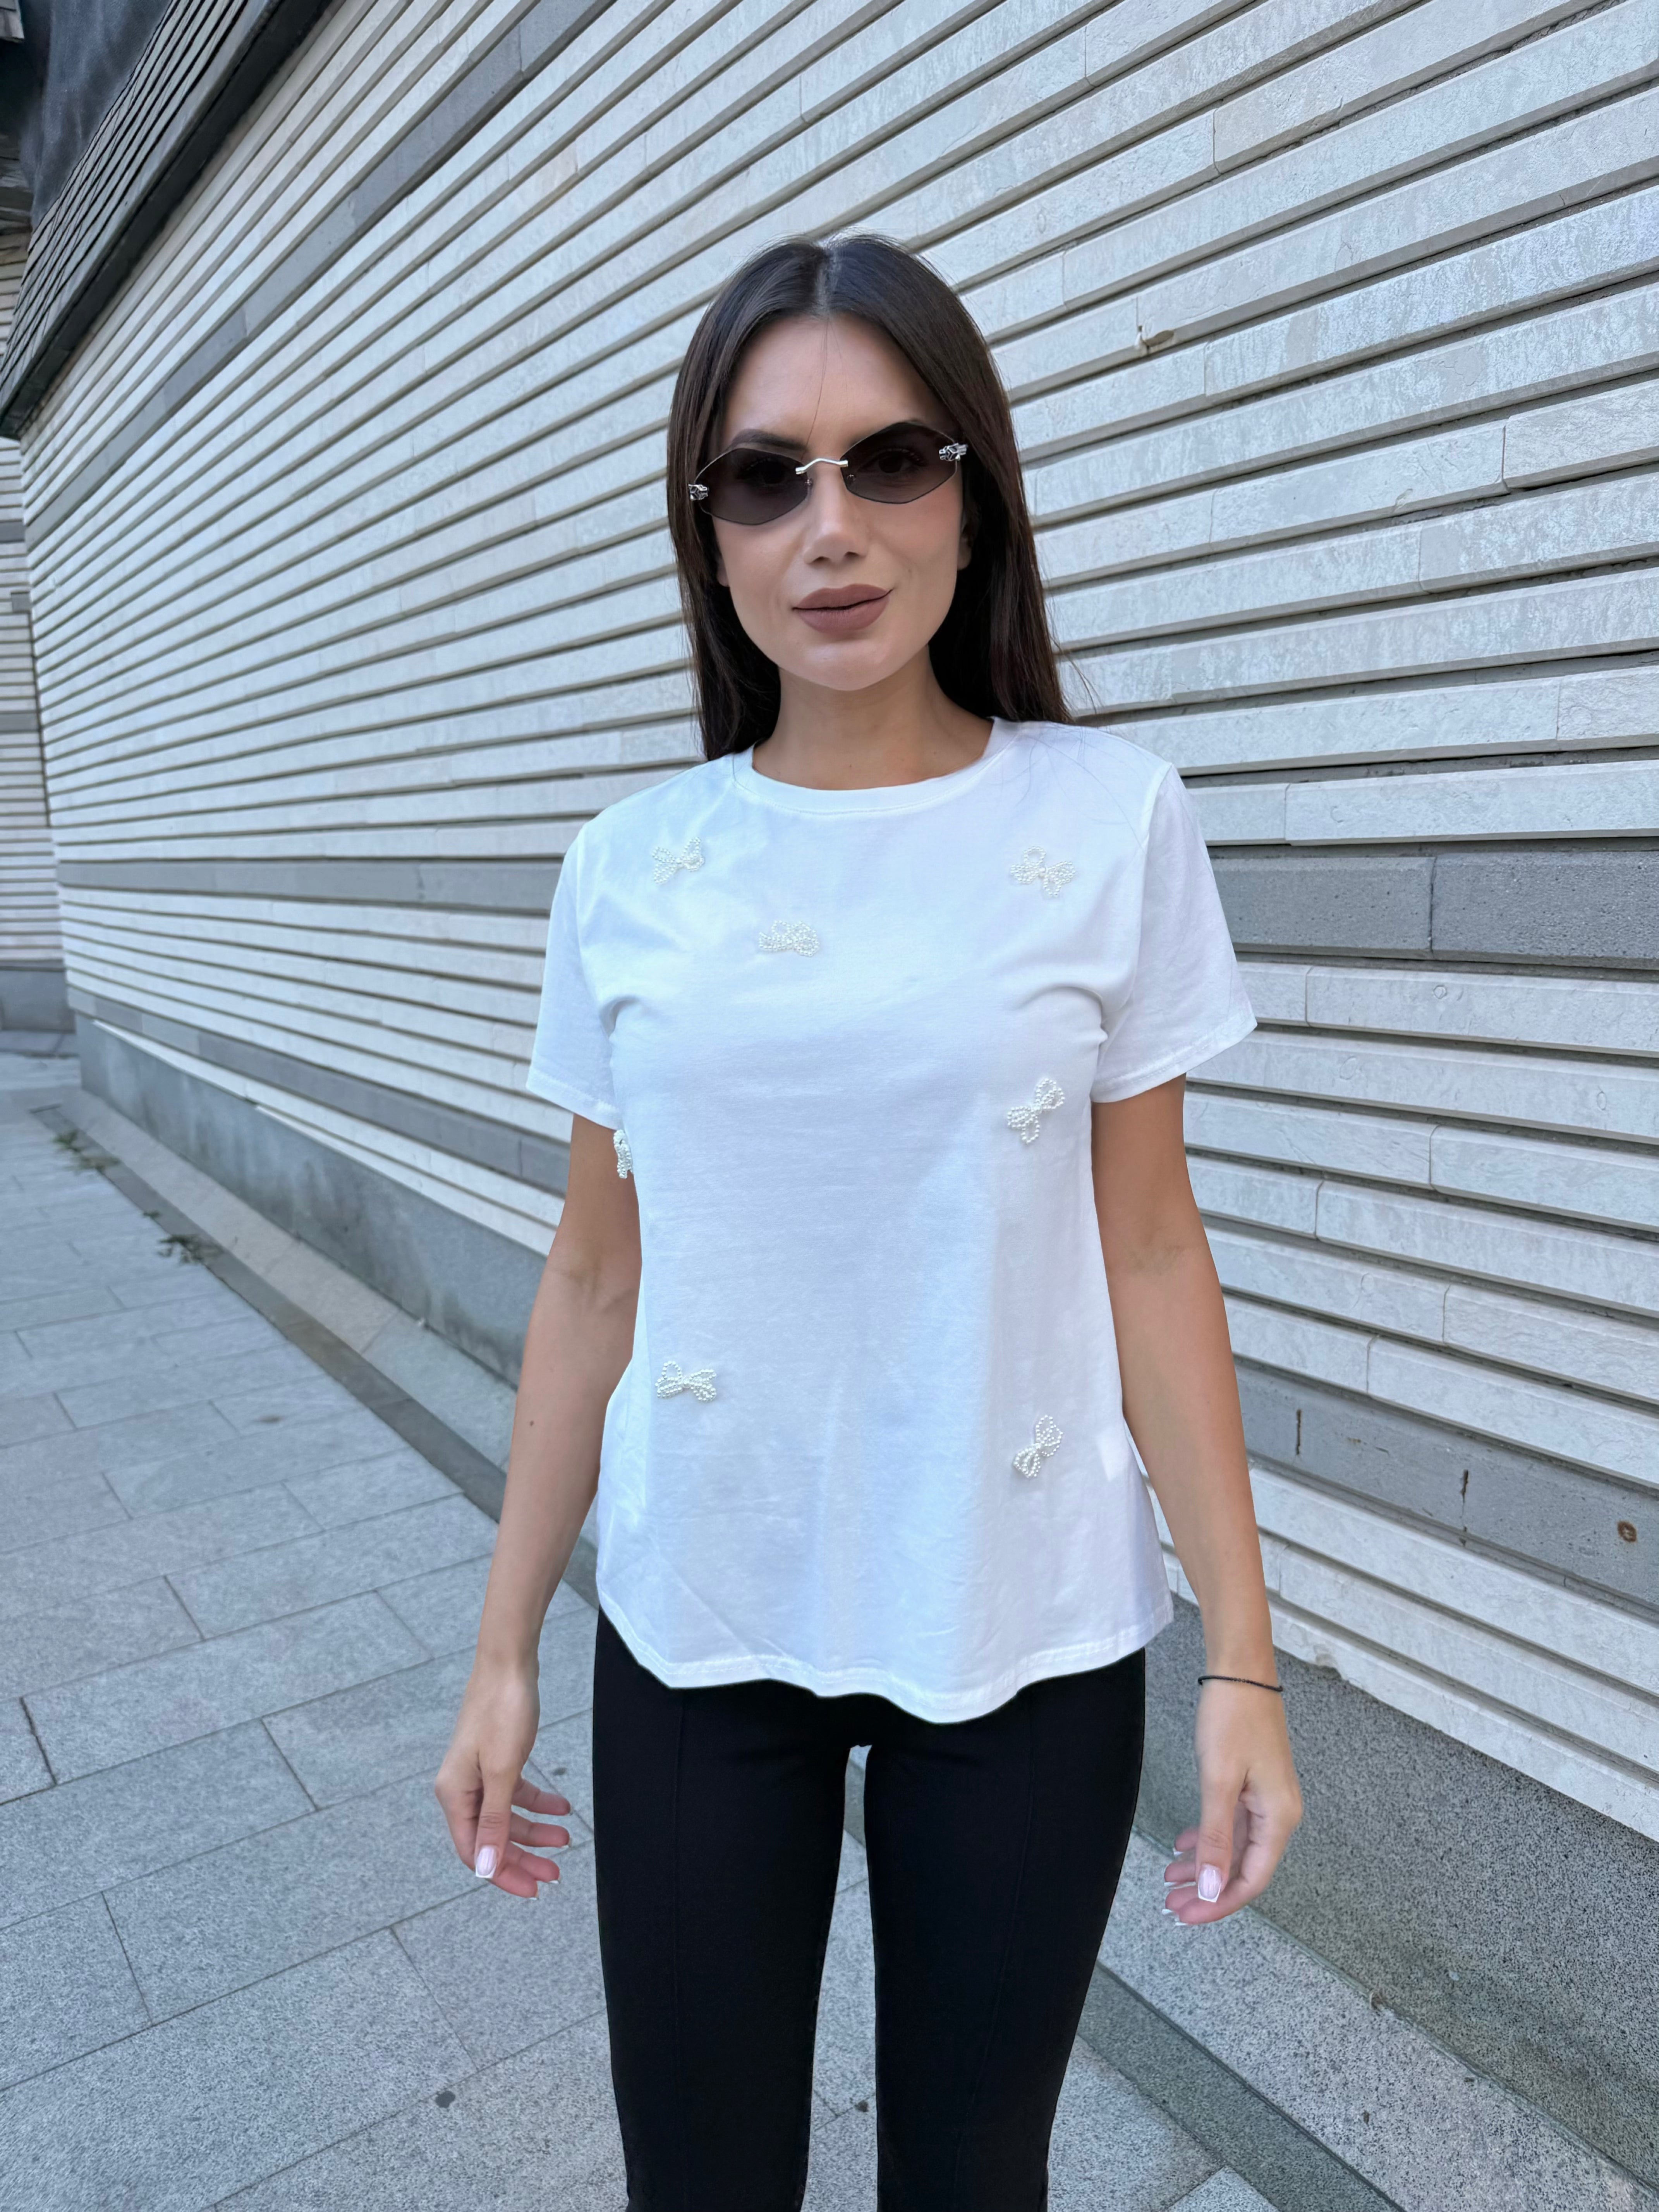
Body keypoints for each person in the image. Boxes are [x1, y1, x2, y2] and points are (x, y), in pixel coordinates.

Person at [435, 231, 1303, 2211]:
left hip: (1024, 1612)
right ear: (711, 534)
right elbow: (593, 1272)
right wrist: (500, 1650)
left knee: (977, 2177)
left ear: (972, 495)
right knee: (701, 2180)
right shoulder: (631, 867)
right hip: (702, 1606)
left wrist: (1245, 1665)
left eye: (890, 460)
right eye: (767, 476)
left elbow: (1153, 1250)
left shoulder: (1111, 820)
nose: (830, 526)